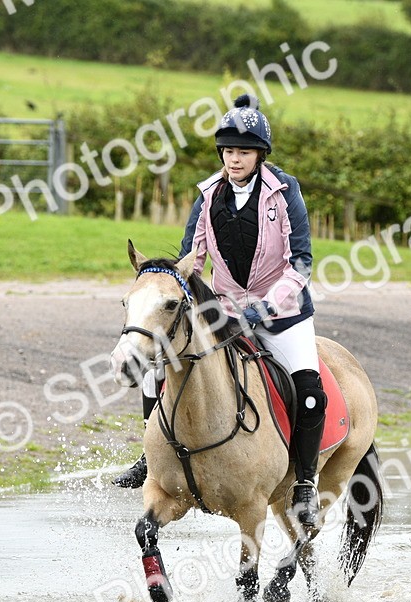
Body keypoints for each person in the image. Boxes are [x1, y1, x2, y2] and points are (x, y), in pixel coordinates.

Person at [114, 93, 326, 528]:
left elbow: (301, 263)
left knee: (309, 390)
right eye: (228, 151)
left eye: (243, 152)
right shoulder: (209, 195)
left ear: (260, 155)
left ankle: (305, 482)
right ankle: (150, 457)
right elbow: (191, 260)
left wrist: (263, 309)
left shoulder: (285, 192)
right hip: (225, 311)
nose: (234, 159)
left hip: (283, 312)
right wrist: (174, 286)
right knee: (160, 365)